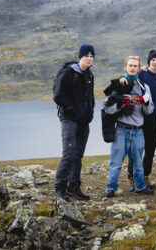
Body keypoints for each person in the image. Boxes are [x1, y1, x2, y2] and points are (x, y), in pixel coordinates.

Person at [104, 56, 154, 197]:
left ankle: (140, 187)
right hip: (121, 130)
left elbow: (149, 111)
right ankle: (111, 188)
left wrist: (145, 103)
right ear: (125, 67)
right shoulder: (117, 85)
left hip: (138, 131)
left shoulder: (145, 87)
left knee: (138, 164)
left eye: (135, 66)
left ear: (139, 68)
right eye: (130, 65)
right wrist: (119, 105)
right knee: (116, 163)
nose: (132, 68)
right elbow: (107, 108)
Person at [53, 44, 95, 201]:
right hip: (70, 119)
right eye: (86, 56)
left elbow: (89, 98)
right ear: (80, 57)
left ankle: (74, 187)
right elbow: (58, 96)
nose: (89, 59)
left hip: (84, 121)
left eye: (91, 57)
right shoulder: (70, 73)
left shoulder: (89, 75)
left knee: (78, 155)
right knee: (69, 153)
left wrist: (89, 113)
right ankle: (60, 187)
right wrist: (71, 110)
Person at [126, 50, 156, 191]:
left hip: (154, 118)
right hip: (139, 118)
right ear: (148, 62)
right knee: (136, 149)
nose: (155, 63)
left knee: (150, 150)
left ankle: (146, 176)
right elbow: (128, 76)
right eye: (153, 60)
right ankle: (131, 178)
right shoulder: (141, 73)